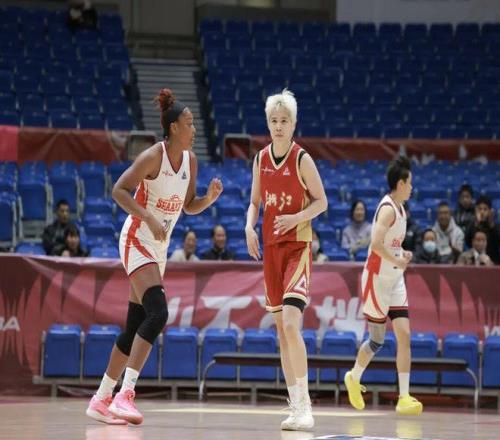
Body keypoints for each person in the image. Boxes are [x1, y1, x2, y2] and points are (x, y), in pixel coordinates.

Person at [86, 88, 223, 425]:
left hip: (157, 249)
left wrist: (208, 199)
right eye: (189, 124)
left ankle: (101, 398)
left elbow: (188, 205)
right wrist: (147, 216)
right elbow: (118, 190)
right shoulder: (152, 156)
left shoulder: (190, 161)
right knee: (158, 312)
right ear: (173, 127)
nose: (194, 129)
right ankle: (125, 394)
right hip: (136, 239)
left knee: (134, 327)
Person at [245, 89, 327, 431]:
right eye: (274, 121)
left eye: (284, 121)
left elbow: (322, 202)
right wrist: (249, 227)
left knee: (292, 323)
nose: (278, 126)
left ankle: (306, 406)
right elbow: (254, 202)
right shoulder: (261, 159)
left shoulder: (301, 159)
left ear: (293, 124)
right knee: (281, 330)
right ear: (268, 124)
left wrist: (296, 218)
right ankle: (295, 406)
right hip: (271, 249)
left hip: (297, 247)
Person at [344, 156, 423, 416]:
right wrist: (397, 260)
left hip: (395, 279)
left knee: (405, 335)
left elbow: (391, 244)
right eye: (409, 183)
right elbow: (376, 244)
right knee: (377, 340)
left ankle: (404, 397)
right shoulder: (388, 208)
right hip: (376, 278)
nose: (412, 187)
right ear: (400, 183)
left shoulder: (401, 209)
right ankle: (354, 377)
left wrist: (402, 254)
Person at [465, 195, 500, 264]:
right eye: (480, 209)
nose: (482, 212)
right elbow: (468, 242)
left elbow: (498, 243)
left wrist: (491, 225)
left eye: (485, 209)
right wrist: (477, 224)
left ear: (490, 211)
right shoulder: (473, 224)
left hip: (492, 258)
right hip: (474, 258)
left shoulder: (495, 226)